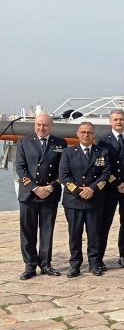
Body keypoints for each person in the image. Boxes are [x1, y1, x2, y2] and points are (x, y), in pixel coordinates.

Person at [17, 113, 67, 280]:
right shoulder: (24, 142)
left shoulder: (60, 143)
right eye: (38, 125)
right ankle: (30, 265)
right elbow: (20, 168)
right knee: (28, 231)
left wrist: (50, 187)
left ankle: (45, 264)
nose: (41, 128)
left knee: (47, 231)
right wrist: (34, 187)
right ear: (34, 126)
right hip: (29, 194)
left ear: (51, 126)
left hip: (49, 193)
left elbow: (63, 170)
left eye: (45, 125)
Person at [59, 122, 111, 277]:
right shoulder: (68, 152)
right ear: (78, 134)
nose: (86, 135)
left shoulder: (102, 152)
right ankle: (75, 264)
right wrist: (78, 191)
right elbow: (63, 176)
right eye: (83, 132)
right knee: (75, 234)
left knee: (94, 234)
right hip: (73, 200)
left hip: (94, 199)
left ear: (93, 135)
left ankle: (94, 263)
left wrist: (92, 189)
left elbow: (106, 175)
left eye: (89, 132)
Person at [96, 109, 124, 269]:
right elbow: (102, 166)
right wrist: (116, 183)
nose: (118, 122)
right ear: (110, 121)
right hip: (109, 189)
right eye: (115, 119)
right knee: (104, 224)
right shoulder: (102, 140)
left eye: (121, 119)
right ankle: (99, 258)